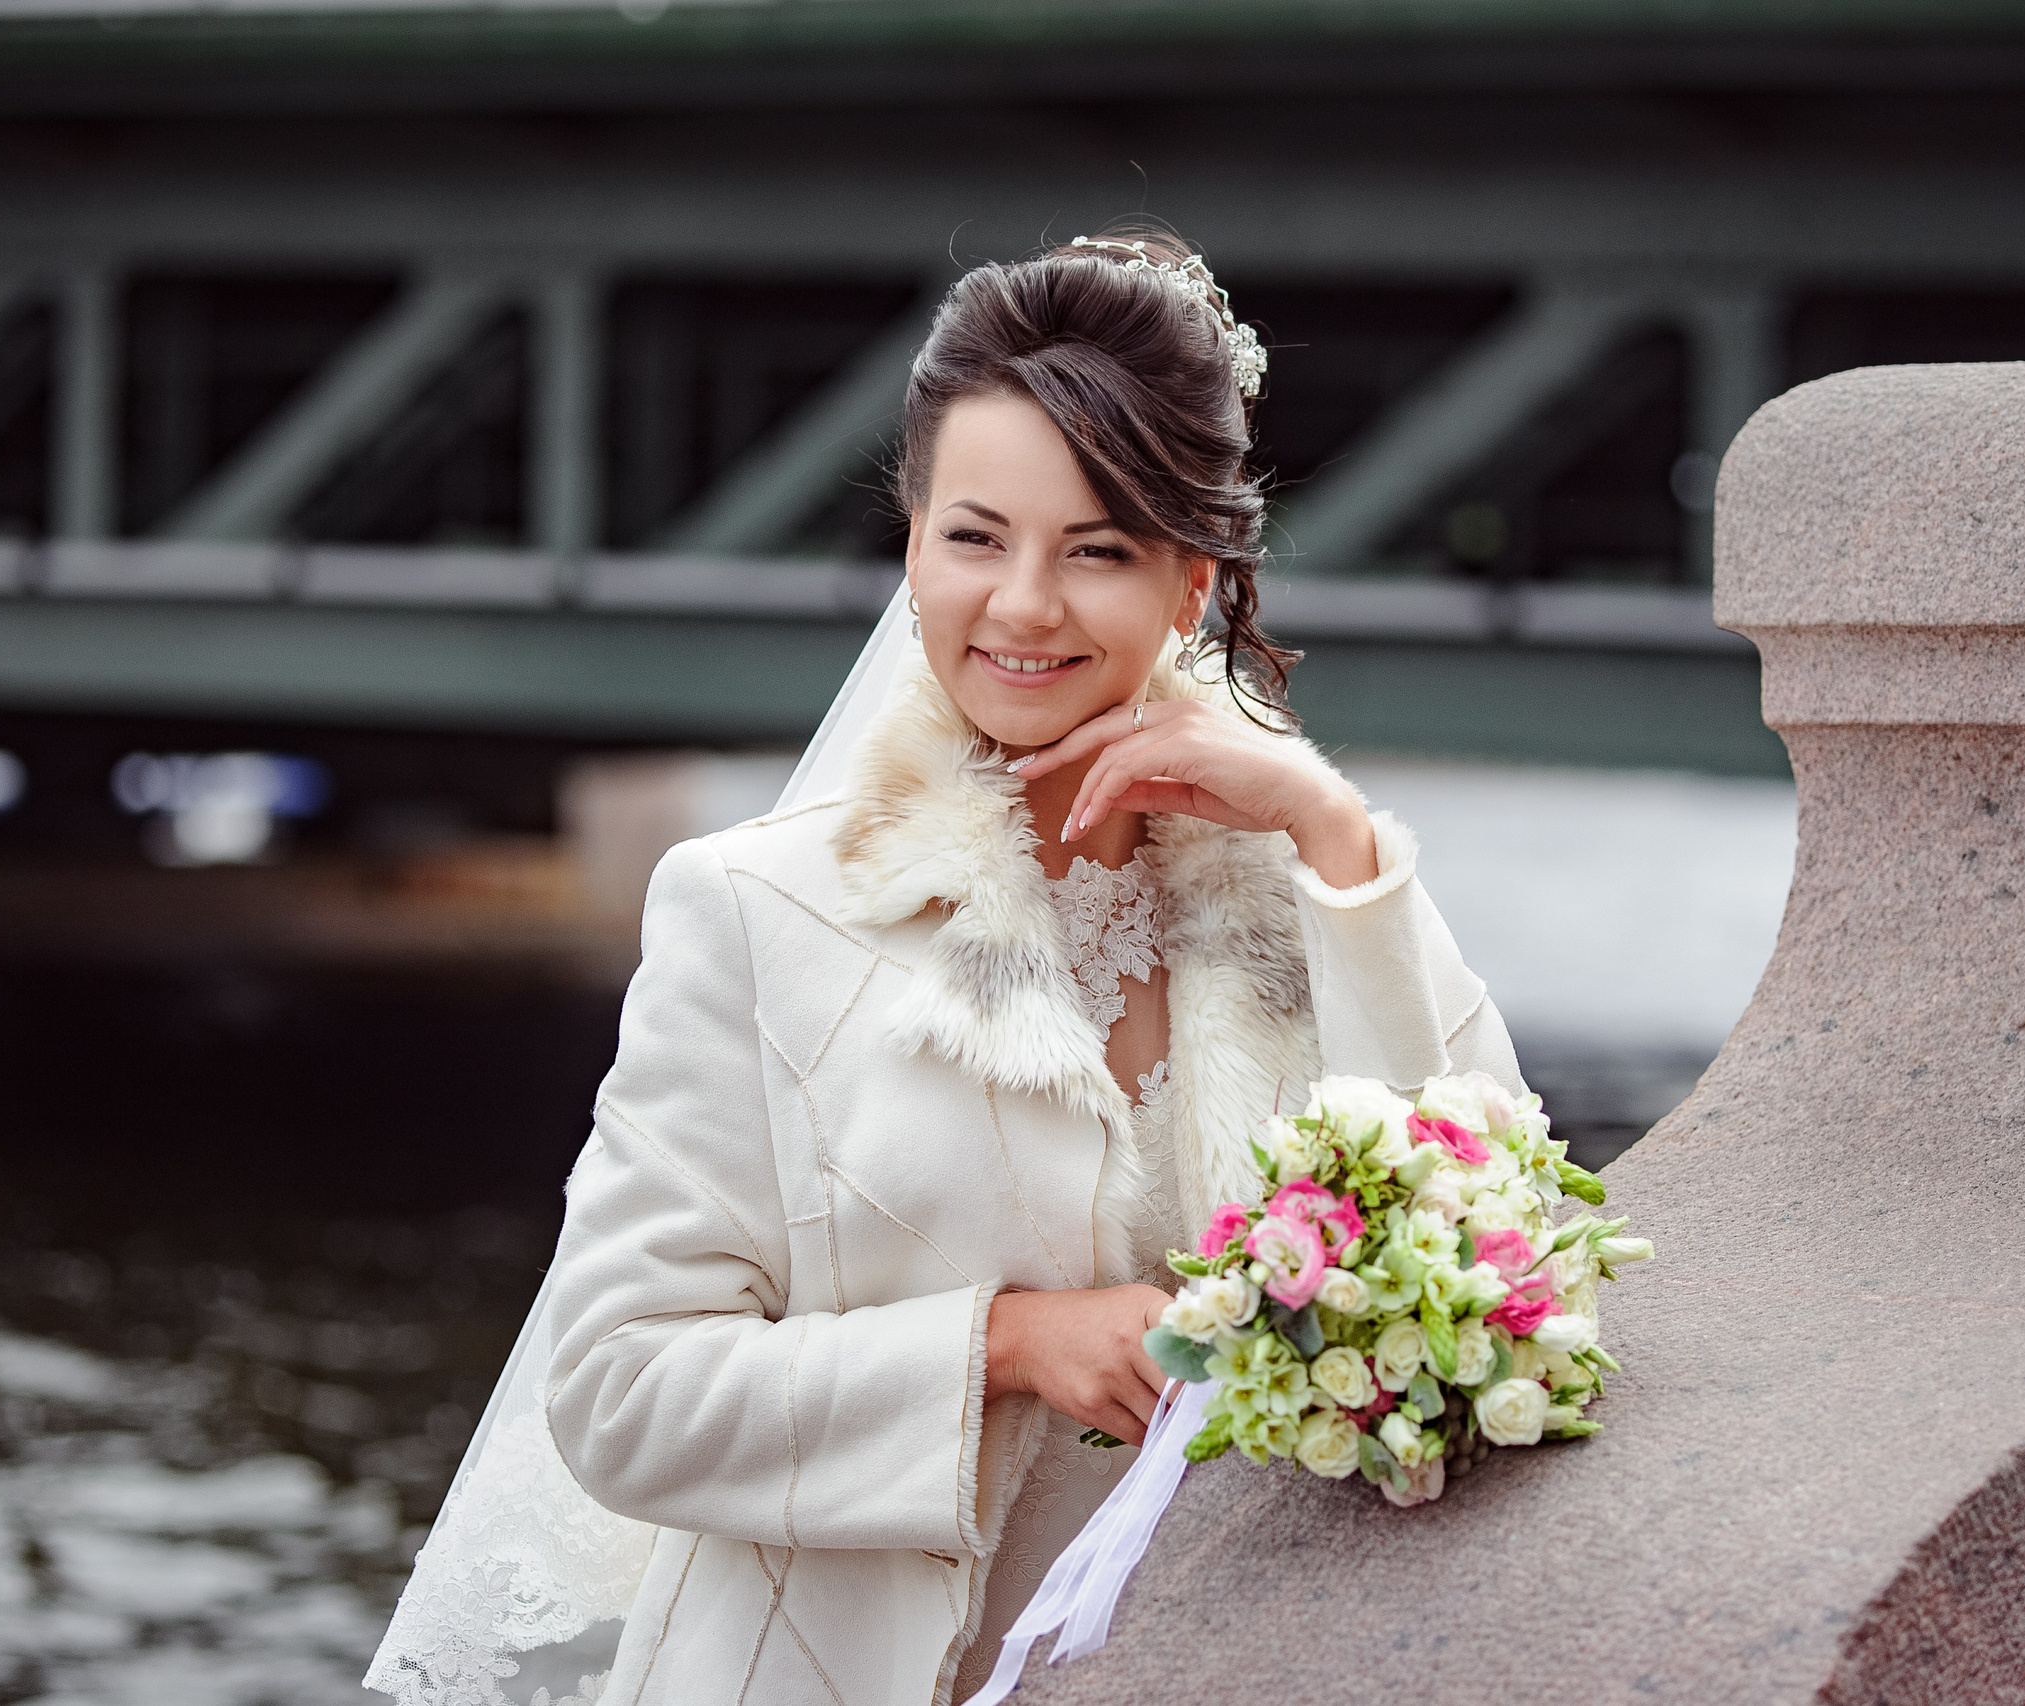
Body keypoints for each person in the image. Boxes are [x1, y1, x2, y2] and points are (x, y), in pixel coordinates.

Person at [364, 231, 1524, 1706]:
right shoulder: (753, 909)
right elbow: (616, 1395)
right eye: (976, 537)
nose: (1024, 608)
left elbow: (1498, 1246)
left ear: (1193, 579)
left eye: (1097, 549)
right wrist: (1007, 1344)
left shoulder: (1312, 884)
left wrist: (1334, 832)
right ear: (911, 540)